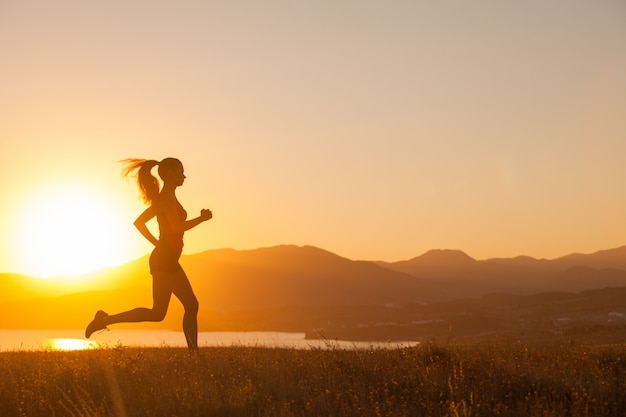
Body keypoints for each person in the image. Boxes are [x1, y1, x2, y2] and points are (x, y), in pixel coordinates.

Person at [85, 157, 212, 351]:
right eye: (180, 171)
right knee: (159, 312)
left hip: (167, 258)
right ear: (170, 173)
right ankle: (104, 319)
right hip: (164, 260)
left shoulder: (166, 197)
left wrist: (158, 244)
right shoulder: (167, 198)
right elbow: (176, 228)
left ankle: (194, 355)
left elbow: (139, 223)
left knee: (188, 306)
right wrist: (201, 219)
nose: (184, 176)